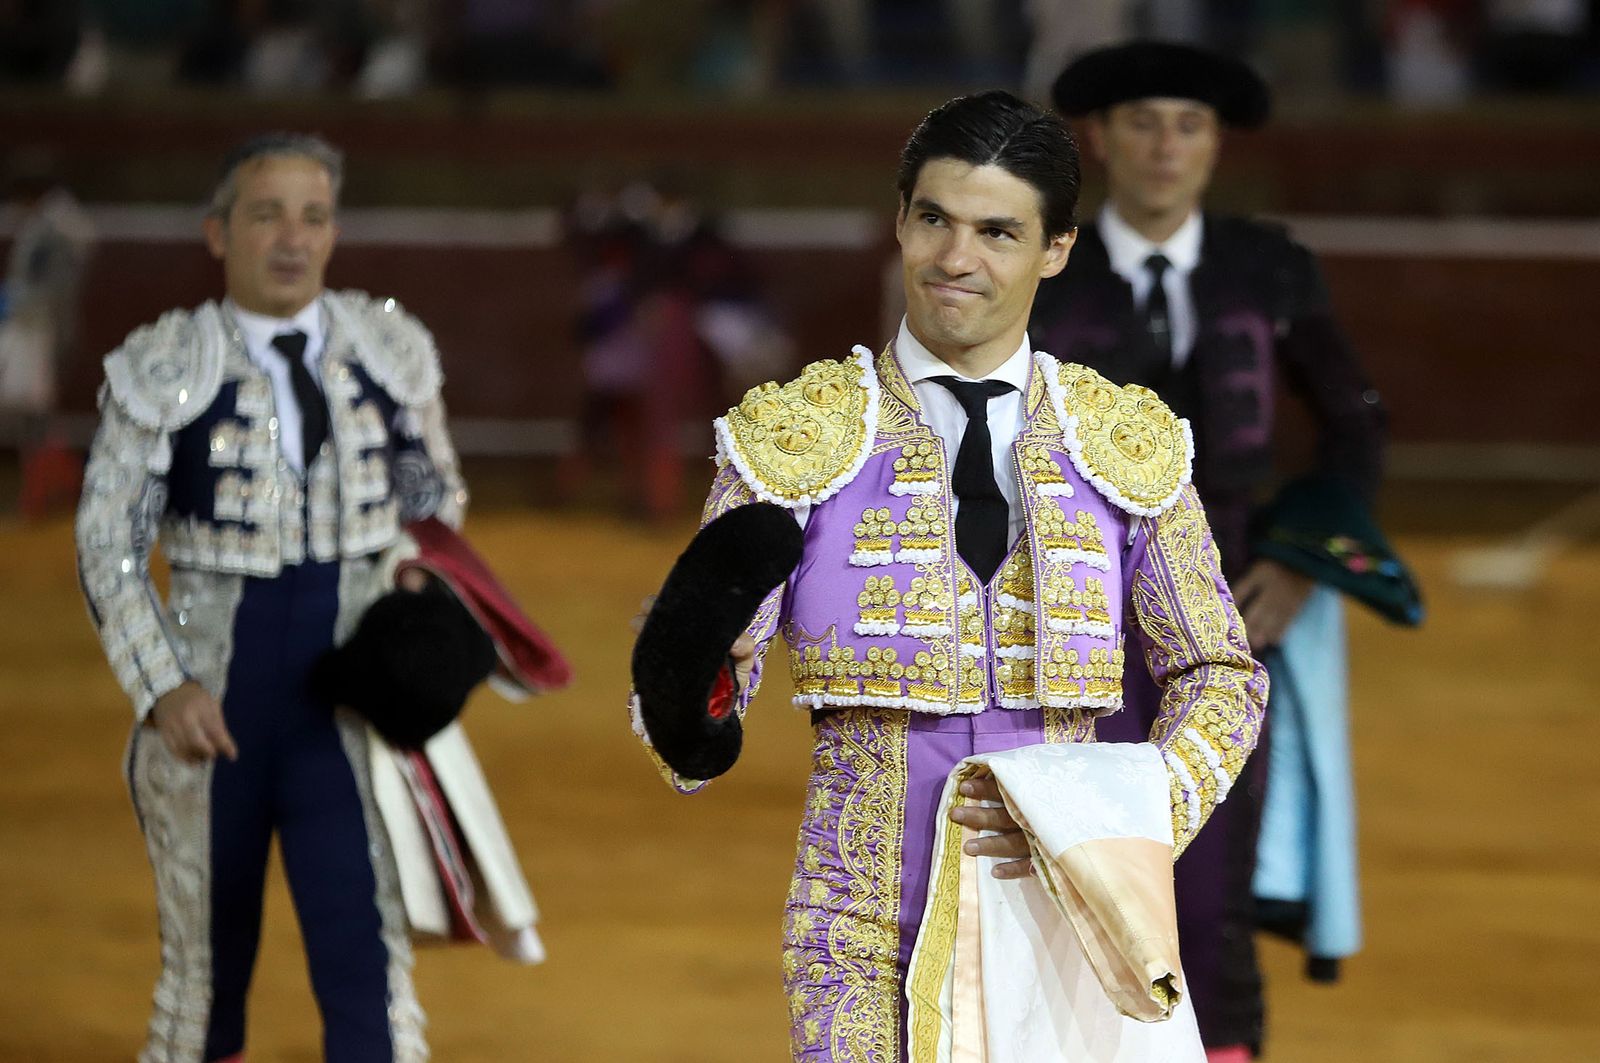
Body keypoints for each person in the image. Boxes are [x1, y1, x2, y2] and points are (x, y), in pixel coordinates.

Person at [630, 90, 1268, 1061]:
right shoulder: (801, 435)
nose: (954, 258)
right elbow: (709, 692)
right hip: (859, 925)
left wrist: (1111, 824)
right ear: (899, 221)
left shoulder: (1120, 441)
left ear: (1056, 248)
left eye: (996, 232)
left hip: (1071, 918)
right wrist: (685, 698)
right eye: (933, 219)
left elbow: (1219, 674)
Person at [1029, 41, 1390, 1060]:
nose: (1164, 146)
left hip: (1231, 585)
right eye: (1141, 121)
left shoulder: (1266, 266)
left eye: (1187, 124)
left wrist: (1300, 559)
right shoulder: (1041, 258)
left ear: (1215, 144)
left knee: (1216, 857)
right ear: (1097, 140)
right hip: (1069, 590)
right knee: (1074, 849)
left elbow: (1355, 423)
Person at [75, 133, 469, 1063]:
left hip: (351, 715)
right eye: (266, 214)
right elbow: (108, 540)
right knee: (202, 985)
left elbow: (432, 497)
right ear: (219, 233)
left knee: (371, 979)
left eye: (314, 216)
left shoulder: (390, 349)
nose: (292, 237)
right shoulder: (163, 362)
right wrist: (162, 686)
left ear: (333, 234)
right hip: (212, 713)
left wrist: (415, 575)